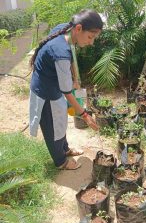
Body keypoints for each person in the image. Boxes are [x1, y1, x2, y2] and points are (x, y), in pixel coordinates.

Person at [29, 9, 103, 170]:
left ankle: (65, 149)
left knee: (60, 121)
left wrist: (74, 77)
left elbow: (71, 54)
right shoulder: (60, 53)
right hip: (45, 92)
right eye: (90, 37)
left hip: (52, 84)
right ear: (79, 29)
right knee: (53, 128)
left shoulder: (66, 29)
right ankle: (60, 162)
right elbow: (67, 92)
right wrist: (85, 115)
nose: (91, 42)